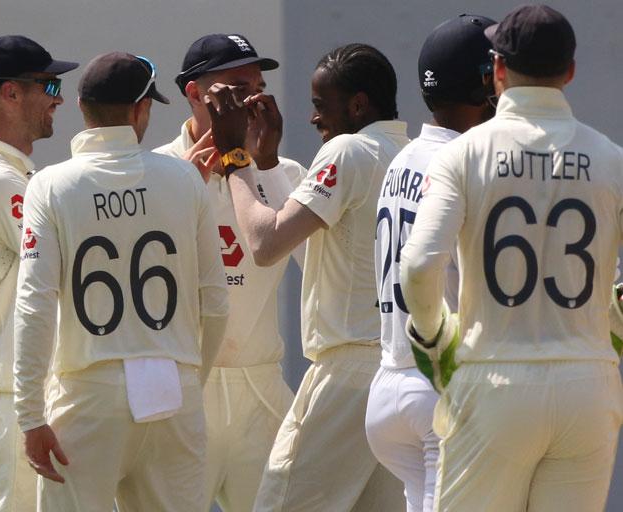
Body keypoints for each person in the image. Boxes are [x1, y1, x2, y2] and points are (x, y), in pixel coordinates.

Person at [401, 5, 623, 511]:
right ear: (569, 72)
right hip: (588, 385)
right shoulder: (611, 158)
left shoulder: (463, 154)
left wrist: (434, 340)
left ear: (498, 70)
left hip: (494, 380)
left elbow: (418, 266)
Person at [13, 52, 228, 511]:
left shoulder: (50, 186)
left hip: (88, 394)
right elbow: (216, 301)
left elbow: (34, 304)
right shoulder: (186, 180)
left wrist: (30, 415)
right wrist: (190, 377)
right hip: (174, 388)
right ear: (139, 110)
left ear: (80, 106)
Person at [207, 43, 410, 511]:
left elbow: (266, 243)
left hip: (346, 377)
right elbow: (309, 239)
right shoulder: (409, 153)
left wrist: (235, 159)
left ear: (357, 105)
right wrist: (268, 163)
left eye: (321, 105)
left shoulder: (347, 148)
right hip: (401, 373)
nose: (314, 119)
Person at [154, 33, 304, 512]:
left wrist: (260, 161)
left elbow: (316, 263)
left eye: (258, 87)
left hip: (259, 384)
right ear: (194, 93)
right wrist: (189, 184)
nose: (253, 100)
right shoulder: (156, 171)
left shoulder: (284, 172)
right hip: (182, 386)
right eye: (236, 88)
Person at [365, 13, 496, 512]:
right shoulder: (471, 161)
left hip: (389, 385)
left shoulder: (404, 157)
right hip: (438, 382)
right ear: (486, 83)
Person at [0, 35, 77, 512]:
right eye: (48, 85)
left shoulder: (6, 172)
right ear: (10, 92)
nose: (59, 97)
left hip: (18, 394)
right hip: (11, 399)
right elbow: (69, 262)